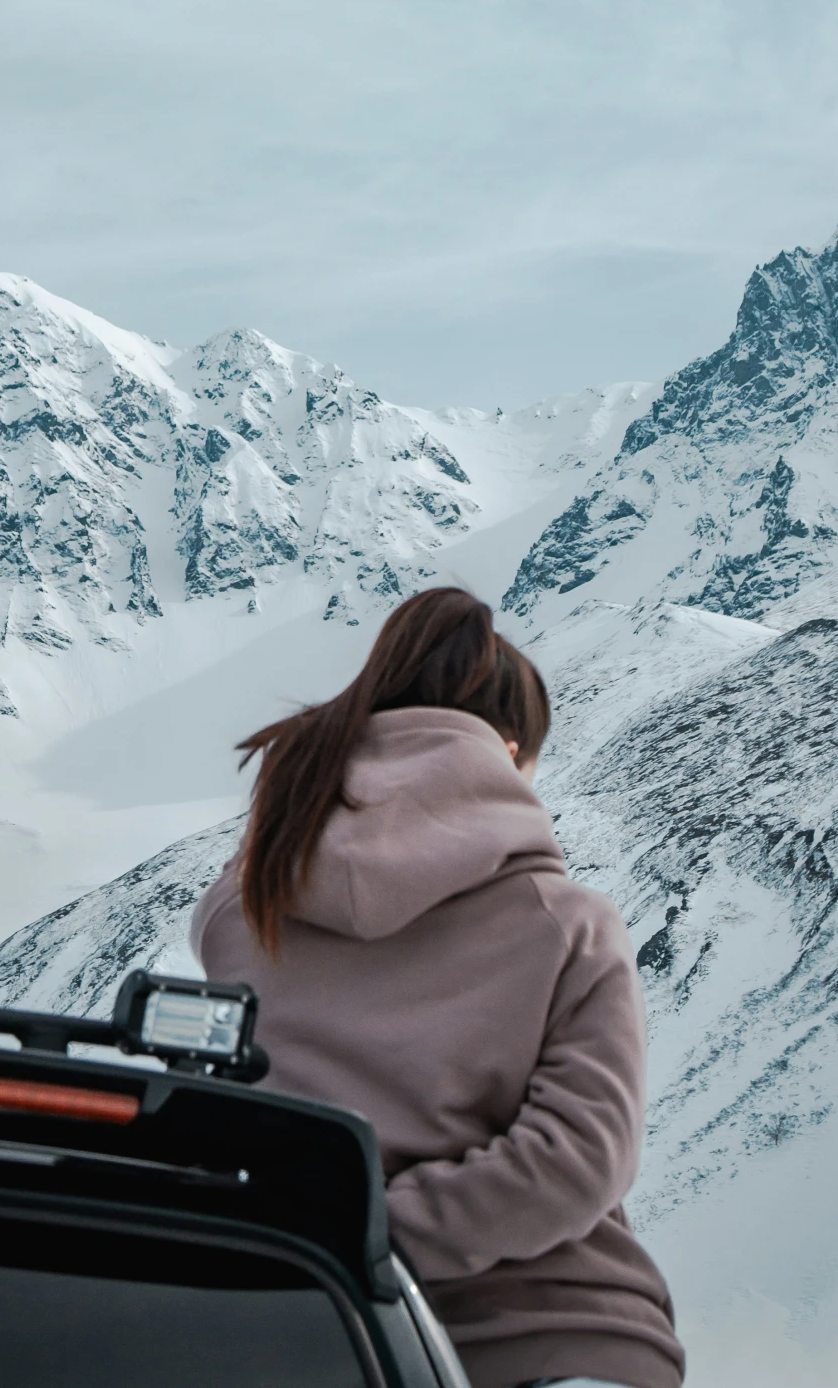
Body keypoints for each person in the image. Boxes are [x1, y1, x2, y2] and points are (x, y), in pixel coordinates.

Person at [191, 586, 686, 1388]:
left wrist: (335, 1242)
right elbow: (577, 1159)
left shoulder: (246, 907)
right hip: (553, 1338)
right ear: (510, 753)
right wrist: (381, 1234)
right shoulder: (566, 923)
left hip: (317, 1339)